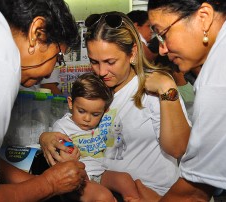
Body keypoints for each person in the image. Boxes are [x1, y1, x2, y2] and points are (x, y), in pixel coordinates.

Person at [40, 11, 191, 197]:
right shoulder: (96, 92)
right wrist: (46, 137)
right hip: (109, 192)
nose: (102, 71)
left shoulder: (154, 89)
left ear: (132, 52)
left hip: (156, 195)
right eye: (94, 62)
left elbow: (178, 148)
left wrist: (167, 88)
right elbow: (75, 125)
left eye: (110, 62)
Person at [0, 0, 87, 201]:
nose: (50, 75)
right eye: (58, 58)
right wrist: (49, 184)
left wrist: (34, 181)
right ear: (36, 33)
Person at [135, 0, 226, 201]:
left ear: (204, 17)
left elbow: (192, 194)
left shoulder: (220, 75)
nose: (162, 49)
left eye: (163, 34)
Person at [46, 72, 140, 201]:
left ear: (104, 111)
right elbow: (61, 154)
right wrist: (68, 157)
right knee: (103, 196)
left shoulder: (103, 123)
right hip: (77, 178)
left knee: (125, 179)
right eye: (81, 111)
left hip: (101, 172)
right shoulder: (62, 127)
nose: (87, 119)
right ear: (70, 103)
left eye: (95, 114)